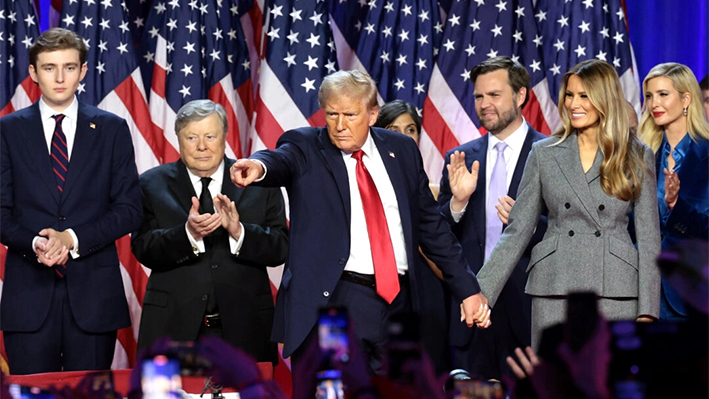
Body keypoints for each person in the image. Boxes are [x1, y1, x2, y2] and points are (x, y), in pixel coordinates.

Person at [229, 70, 490, 394]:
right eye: (332, 114)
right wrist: (259, 167)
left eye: (350, 115)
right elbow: (280, 160)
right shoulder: (306, 146)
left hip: (398, 304)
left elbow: (430, 226)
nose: (339, 125)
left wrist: (467, 288)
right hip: (336, 304)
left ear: (372, 113)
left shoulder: (402, 151)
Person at [475, 59, 661, 349]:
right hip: (554, 285)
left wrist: (648, 311)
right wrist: (482, 291)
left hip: (615, 290)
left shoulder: (637, 154)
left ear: (604, 98)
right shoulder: (544, 153)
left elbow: (649, 240)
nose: (574, 103)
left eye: (584, 95)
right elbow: (517, 231)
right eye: (570, 95)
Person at [0, 28, 143, 374]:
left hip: (94, 298)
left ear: (82, 71)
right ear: (33, 73)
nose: (60, 77)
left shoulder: (112, 129)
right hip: (28, 298)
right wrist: (37, 242)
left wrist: (72, 239)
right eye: (49, 68)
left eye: (69, 67)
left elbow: (129, 210)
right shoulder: (7, 130)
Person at [131, 100, 289, 364]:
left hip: (246, 328)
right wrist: (187, 235)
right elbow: (142, 247)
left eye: (210, 136)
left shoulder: (257, 182)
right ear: (178, 139)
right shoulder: (150, 184)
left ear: (225, 136)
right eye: (192, 137)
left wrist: (239, 231)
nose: (202, 146)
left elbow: (280, 248)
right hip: (172, 328)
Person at [438, 57, 548, 379]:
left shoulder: (552, 152)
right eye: (478, 96)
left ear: (520, 95)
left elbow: (567, 231)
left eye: (494, 95)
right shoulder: (459, 158)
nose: (484, 104)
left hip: (527, 308)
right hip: (472, 308)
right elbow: (438, 235)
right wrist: (457, 203)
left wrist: (525, 223)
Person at [637, 63, 709, 321]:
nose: (654, 103)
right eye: (649, 96)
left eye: (663, 94)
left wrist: (676, 205)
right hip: (640, 290)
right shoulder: (640, 155)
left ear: (686, 98)